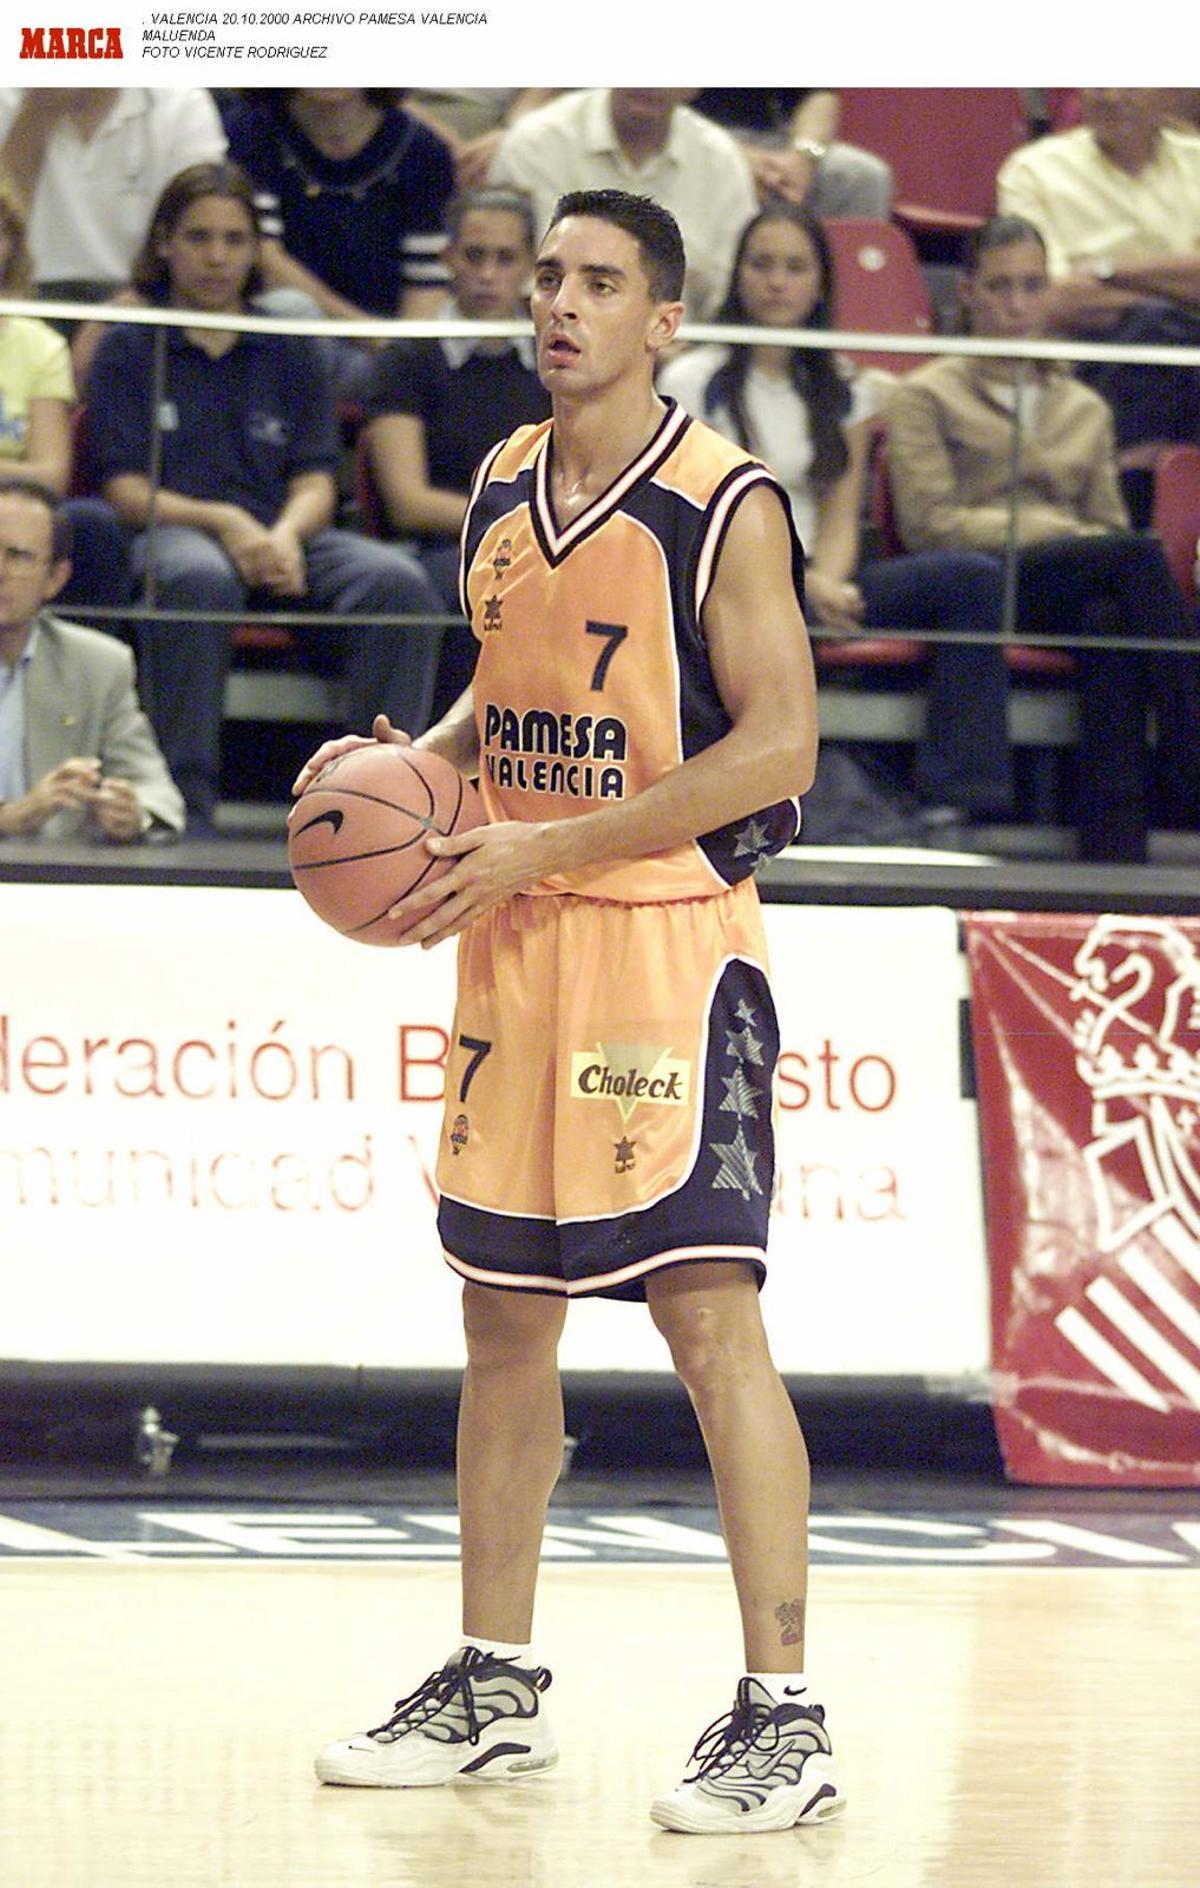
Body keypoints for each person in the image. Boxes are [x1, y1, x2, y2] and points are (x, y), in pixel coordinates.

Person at [294, 188, 844, 1835]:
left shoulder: (720, 502)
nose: (561, 302)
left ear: (665, 319)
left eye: (601, 282)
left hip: (669, 948)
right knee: (499, 1320)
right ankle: (492, 1681)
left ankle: (786, 1710)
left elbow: (782, 745)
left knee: (704, 1319)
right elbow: (506, 681)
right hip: (514, 934)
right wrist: (432, 769)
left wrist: (555, 837)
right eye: (547, 274)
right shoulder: (498, 485)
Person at [85, 162, 441, 835]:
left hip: (287, 532)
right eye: (198, 238)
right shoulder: (130, 345)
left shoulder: (287, 344)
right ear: (164, 243)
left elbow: (316, 478)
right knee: (196, 576)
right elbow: (126, 491)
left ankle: (376, 808)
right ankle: (180, 808)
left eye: (233, 239)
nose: (217, 256)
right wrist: (227, 522)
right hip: (175, 529)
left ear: (255, 250)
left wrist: (279, 535)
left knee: (397, 584)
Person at [659, 202, 1014, 832]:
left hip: (817, 579)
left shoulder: (845, 384)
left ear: (820, 284)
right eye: (762, 264)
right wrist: (802, 586)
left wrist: (830, 581)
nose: (776, 280)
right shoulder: (692, 377)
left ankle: (958, 797)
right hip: (725, 582)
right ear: (738, 276)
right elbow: (701, 510)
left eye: (794, 267)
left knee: (972, 579)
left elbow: (842, 510)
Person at [887, 213, 1200, 864]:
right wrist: (1054, 530)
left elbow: (1109, 525)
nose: (1017, 304)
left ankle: (1116, 851)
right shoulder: (926, 394)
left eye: (1032, 287)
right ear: (967, 292)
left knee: (1110, 617)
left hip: (1073, 582)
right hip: (978, 580)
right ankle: (1190, 759)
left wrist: (1076, 538)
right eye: (1000, 287)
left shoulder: (1083, 405)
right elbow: (930, 524)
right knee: (1137, 561)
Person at [361, 185, 550, 716]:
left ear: (532, 266)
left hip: (544, 544)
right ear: (448, 260)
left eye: (506, 258)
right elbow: (409, 502)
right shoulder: (408, 357)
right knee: (481, 588)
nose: (489, 274)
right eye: (474, 256)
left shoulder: (556, 360)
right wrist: (522, 526)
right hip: (440, 549)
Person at [996, 88, 1200, 508]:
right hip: (1086, 358)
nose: (1109, 94)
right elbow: (1049, 298)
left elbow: (1083, 284)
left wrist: (1110, 271)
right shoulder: (1035, 170)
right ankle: (1134, 501)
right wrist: (1177, 282)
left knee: (1165, 330)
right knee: (1157, 327)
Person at [223, 88, 455, 397]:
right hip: (281, 332)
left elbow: (425, 285)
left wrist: (402, 356)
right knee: (291, 312)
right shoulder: (250, 130)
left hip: (385, 340)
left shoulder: (423, 151)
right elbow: (265, 258)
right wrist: (373, 337)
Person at [0, 478, 184, 843]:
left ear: (55, 579)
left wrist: (134, 813)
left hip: (56, 887)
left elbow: (158, 796)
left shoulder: (99, 665)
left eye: (17, 556)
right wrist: (9, 817)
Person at [488, 90, 758, 320]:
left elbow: (732, 295)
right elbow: (513, 283)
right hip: (552, 342)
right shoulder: (534, 144)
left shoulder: (721, 161)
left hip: (681, 352)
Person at [0, 171, 128, 613]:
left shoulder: (40, 346)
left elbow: (51, 476)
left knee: (91, 526)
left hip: (16, 515)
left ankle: (80, 675)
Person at [0, 89, 226, 309]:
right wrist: (36, 116)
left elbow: (202, 224)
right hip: (19, 296)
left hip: (142, 299)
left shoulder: (182, 106)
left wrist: (137, 302)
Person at [693, 90, 893, 220]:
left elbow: (819, 95)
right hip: (692, 137)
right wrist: (732, 155)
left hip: (780, 138)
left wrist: (802, 157)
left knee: (862, 176)